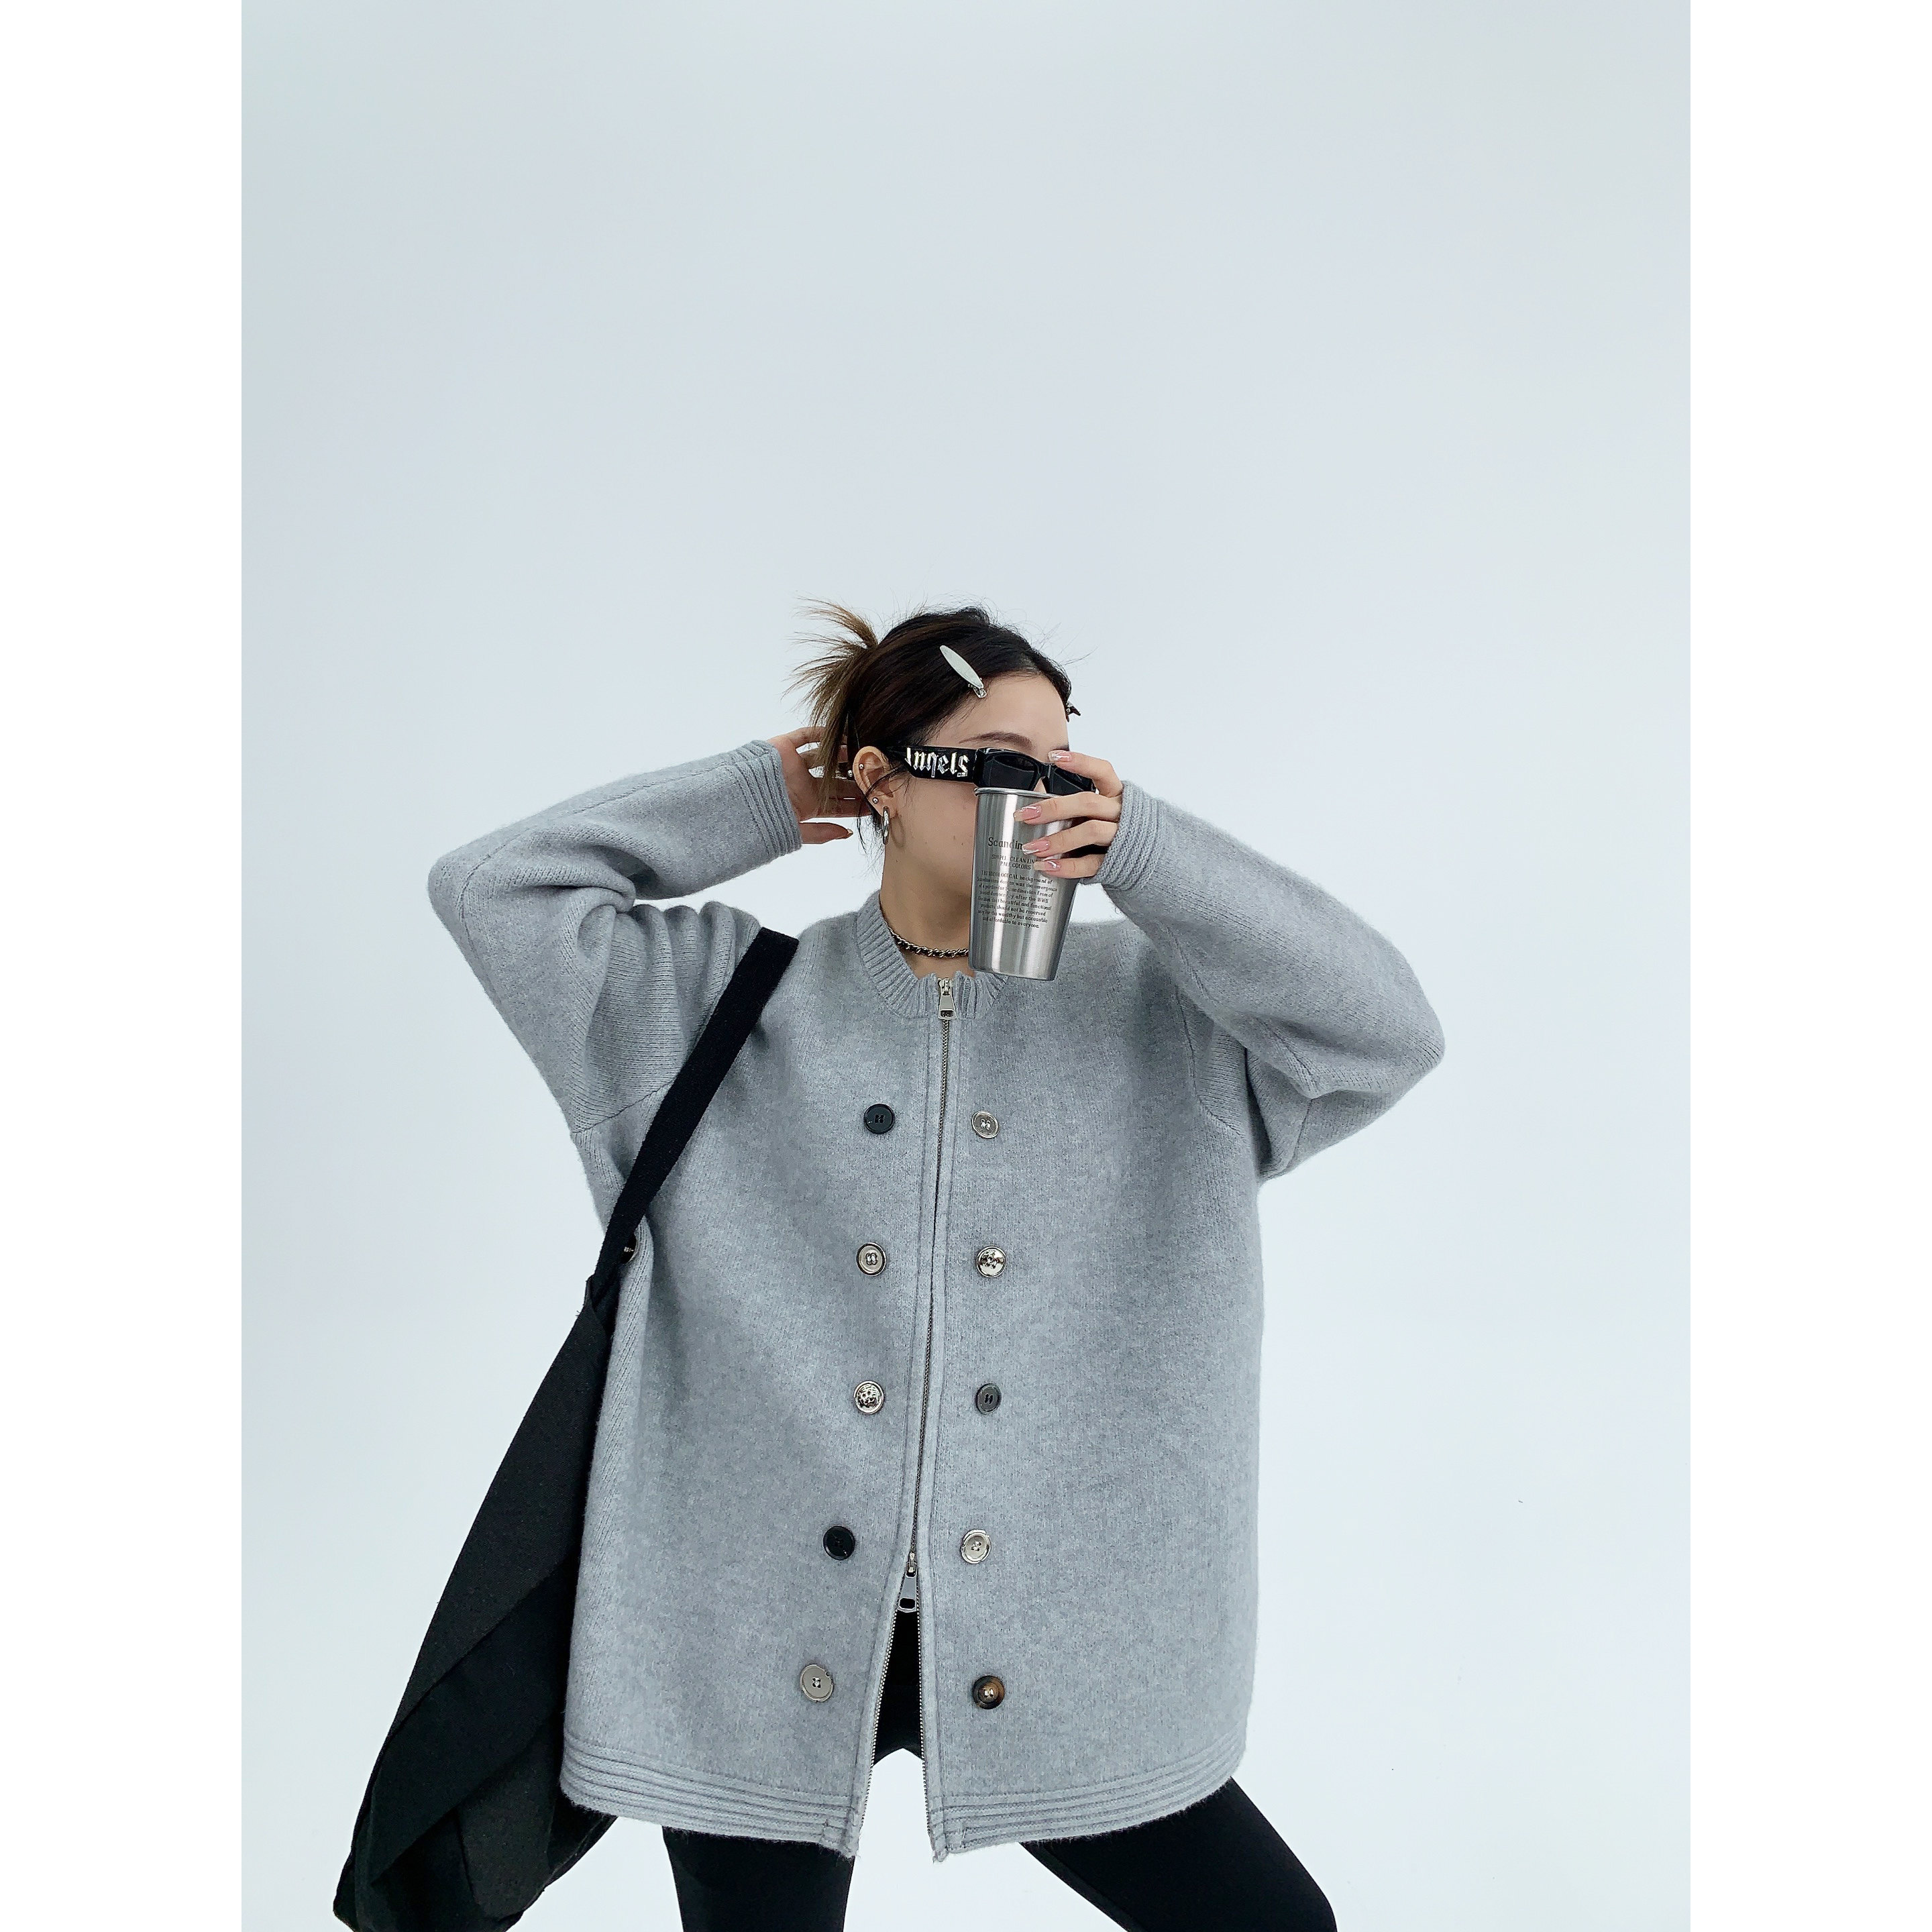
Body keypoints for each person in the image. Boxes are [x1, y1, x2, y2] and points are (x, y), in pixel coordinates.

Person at [428, 605, 1444, 1929]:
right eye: (1007, 766)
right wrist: (763, 794)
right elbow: (492, 890)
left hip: (1077, 1638)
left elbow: (1386, 1032)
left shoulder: (1176, 1019)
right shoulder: (704, 1005)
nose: (1049, 801)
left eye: (1069, 768)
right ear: (883, 782)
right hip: (749, 1636)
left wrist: (1153, 853)